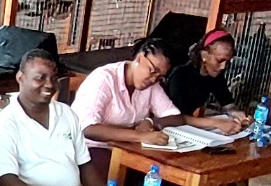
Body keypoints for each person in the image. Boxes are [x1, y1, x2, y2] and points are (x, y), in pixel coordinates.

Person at [73, 37, 245, 168]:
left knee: (164, 178)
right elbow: (88, 129)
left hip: (128, 149)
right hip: (89, 147)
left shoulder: (151, 85)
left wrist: (149, 121)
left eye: (159, 76)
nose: (154, 79)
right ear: (140, 59)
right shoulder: (104, 79)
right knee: (122, 183)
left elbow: (174, 117)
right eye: (152, 71)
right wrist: (140, 136)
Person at [162, 29, 257, 186]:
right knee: (220, 174)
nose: (223, 67)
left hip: (190, 132)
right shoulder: (181, 75)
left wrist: (238, 115)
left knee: (237, 172)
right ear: (204, 55)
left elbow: (227, 103)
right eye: (220, 60)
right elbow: (173, 118)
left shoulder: (214, 75)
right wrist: (215, 123)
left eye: (227, 62)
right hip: (168, 133)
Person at [0, 49, 107, 186]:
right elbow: (7, 181)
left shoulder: (66, 113)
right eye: (40, 78)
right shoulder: (4, 124)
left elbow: (85, 165)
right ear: (20, 78)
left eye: (54, 78)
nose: (49, 84)